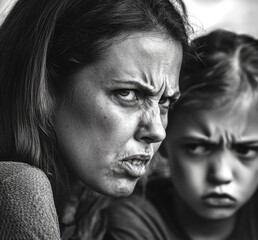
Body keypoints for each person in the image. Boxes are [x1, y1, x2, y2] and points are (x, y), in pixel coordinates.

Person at [104, 29, 258, 240]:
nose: (221, 175)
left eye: (246, 150)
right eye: (197, 147)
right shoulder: (135, 215)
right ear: (163, 137)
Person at [0, 0, 190, 239]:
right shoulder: (15, 188)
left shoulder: (105, 210)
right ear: (44, 87)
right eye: (127, 93)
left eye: (165, 102)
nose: (157, 131)